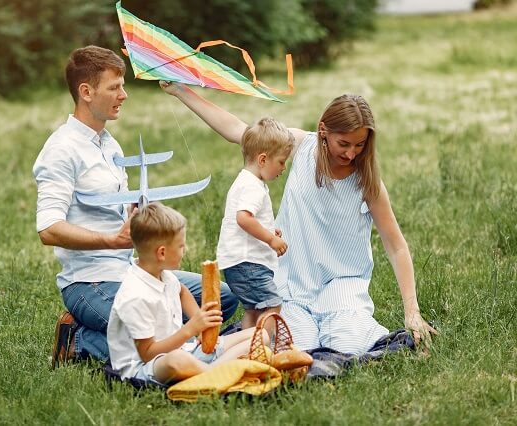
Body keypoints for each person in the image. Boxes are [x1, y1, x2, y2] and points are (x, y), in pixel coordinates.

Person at [160, 81, 438, 355]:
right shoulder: (302, 146)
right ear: (323, 132)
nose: (351, 153)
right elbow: (238, 131)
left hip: (342, 285)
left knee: (350, 345)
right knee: (294, 346)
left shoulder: (367, 181)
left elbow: (396, 245)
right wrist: (181, 91)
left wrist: (411, 312)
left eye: (360, 145)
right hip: (291, 284)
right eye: (344, 143)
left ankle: (346, 326)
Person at [32, 45, 238, 368]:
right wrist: (111, 241)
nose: (124, 95)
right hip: (89, 283)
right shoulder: (61, 150)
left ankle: (141, 341)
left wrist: (141, 214)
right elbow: (48, 229)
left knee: (222, 298)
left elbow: (126, 212)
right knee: (156, 336)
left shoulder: (109, 143)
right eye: (114, 87)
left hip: (131, 272)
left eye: (122, 85)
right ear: (86, 92)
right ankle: (78, 340)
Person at [108, 203, 262, 385]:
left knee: (260, 335)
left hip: (185, 350)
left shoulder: (163, 275)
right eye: (181, 246)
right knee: (177, 361)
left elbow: (181, 291)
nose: (185, 250)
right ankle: (216, 373)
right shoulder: (135, 296)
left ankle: (215, 368)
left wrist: (201, 323)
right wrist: (190, 329)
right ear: (162, 253)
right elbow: (148, 353)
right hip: (148, 367)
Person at [217, 117, 293, 331]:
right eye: (281, 161)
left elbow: (250, 219)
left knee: (254, 308)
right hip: (248, 262)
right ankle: (263, 349)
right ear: (262, 159)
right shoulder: (252, 187)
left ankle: (247, 346)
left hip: (238, 261)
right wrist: (270, 239)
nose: (284, 167)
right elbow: (243, 218)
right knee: (272, 306)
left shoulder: (247, 182)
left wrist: (268, 230)